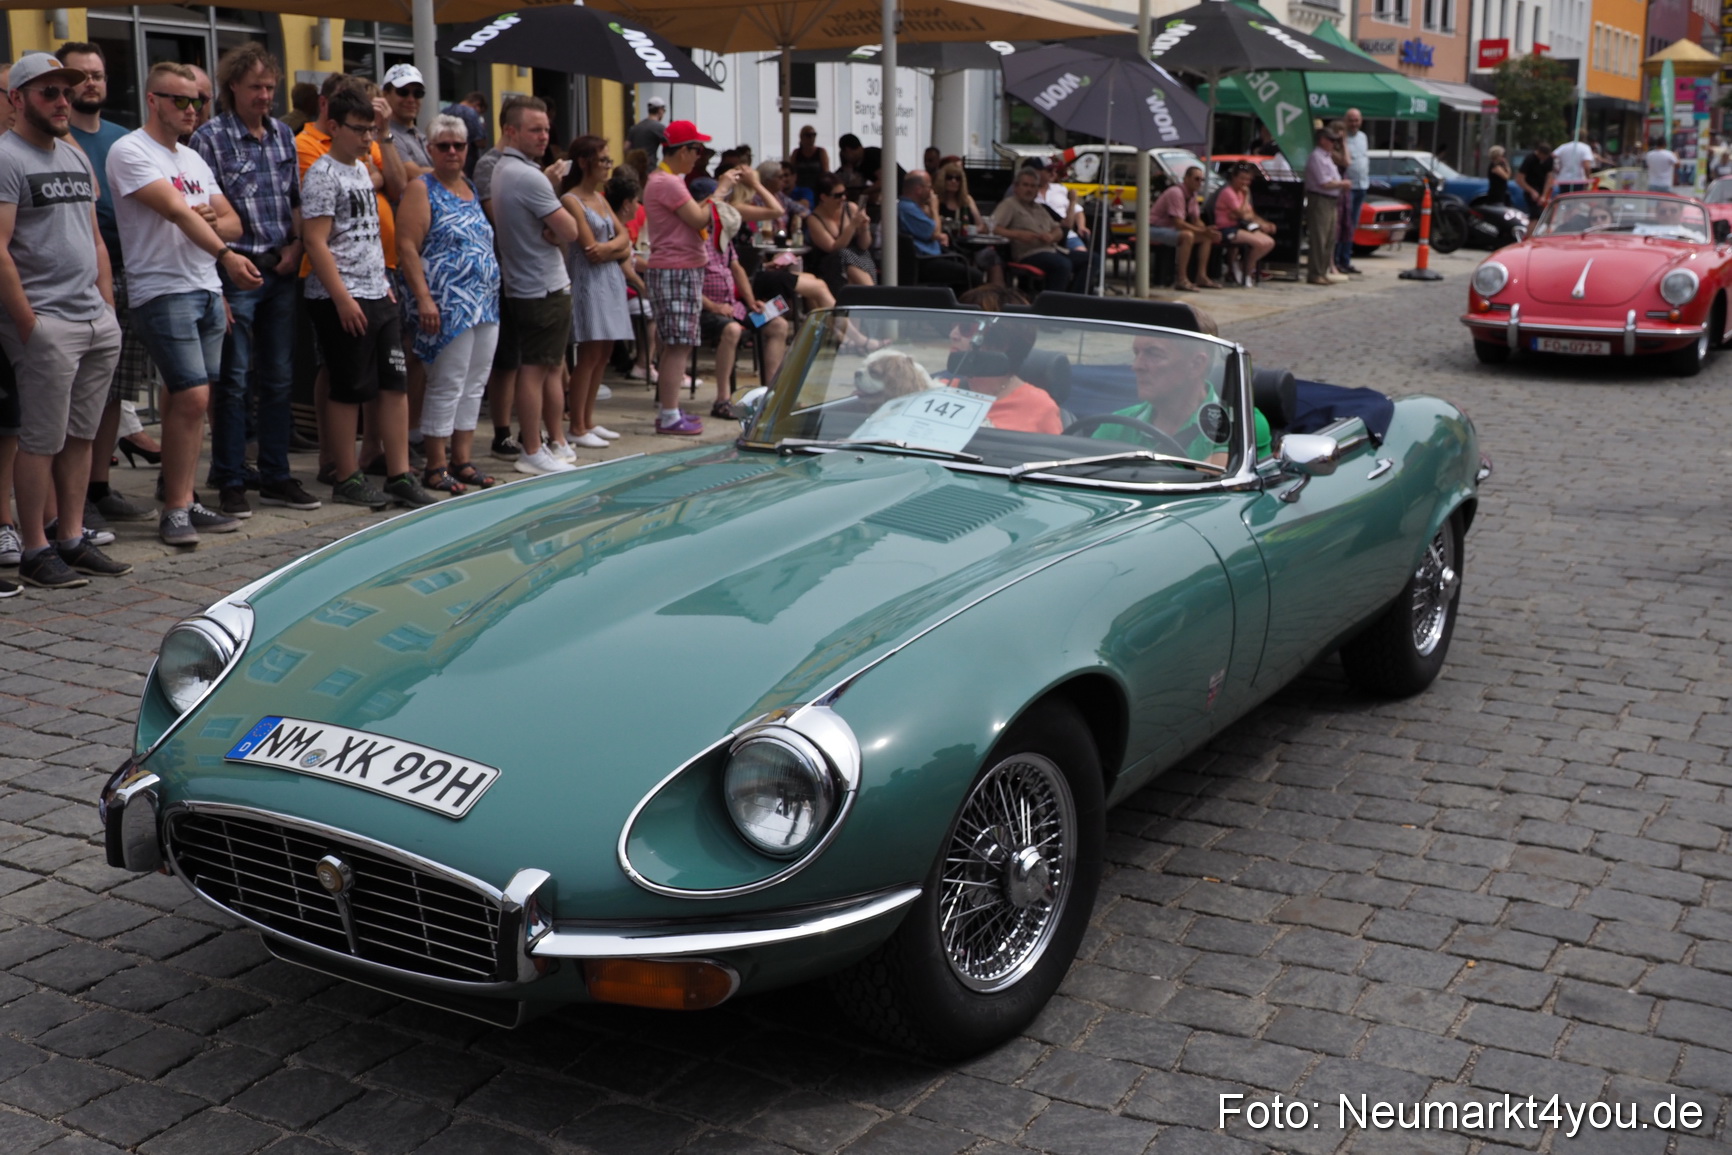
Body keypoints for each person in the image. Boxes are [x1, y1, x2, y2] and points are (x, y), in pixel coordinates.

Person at [109, 61, 262, 546]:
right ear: (153, 100)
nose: (192, 109)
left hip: (205, 288)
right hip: (162, 287)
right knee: (193, 396)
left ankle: (184, 497)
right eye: (180, 100)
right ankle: (175, 508)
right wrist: (224, 251)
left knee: (191, 400)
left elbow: (233, 220)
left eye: (197, 100)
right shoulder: (130, 150)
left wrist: (214, 233)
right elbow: (175, 211)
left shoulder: (193, 159)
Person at [0, 52, 127, 588]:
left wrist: (107, 307)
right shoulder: (7, 157)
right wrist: (29, 323)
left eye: (64, 91)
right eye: (47, 91)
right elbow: (0, 249)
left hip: (92, 319)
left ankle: (70, 537)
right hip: (47, 323)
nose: (61, 101)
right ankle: (35, 546)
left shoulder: (75, 156)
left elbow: (95, 239)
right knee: (40, 439)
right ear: (17, 99)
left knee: (80, 436)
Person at [190, 42, 321, 520]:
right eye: (256, 88)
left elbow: (295, 200)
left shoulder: (285, 136)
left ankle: (276, 473)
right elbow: (203, 213)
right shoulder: (210, 138)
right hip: (237, 270)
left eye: (270, 87)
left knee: (280, 378)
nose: (265, 96)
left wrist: (297, 245)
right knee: (234, 381)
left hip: (280, 267)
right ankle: (230, 477)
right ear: (232, 89)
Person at [301, 84, 432, 509]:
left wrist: (384, 285)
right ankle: (346, 473)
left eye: (371, 131)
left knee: (393, 383)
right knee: (348, 386)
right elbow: (316, 241)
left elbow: (373, 232)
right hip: (342, 294)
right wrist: (341, 298)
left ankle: (398, 472)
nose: (366, 139)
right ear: (335, 127)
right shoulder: (322, 174)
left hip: (378, 289)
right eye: (358, 131)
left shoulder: (360, 168)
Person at [56, 41, 151, 528]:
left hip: (124, 268)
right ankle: (64, 499)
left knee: (115, 387)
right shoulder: (51, 134)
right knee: (71, 392)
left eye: (98, 74)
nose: (91, 82)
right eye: (81, 75)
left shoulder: (123, 138)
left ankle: (98, 486)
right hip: (70, 276)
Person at [397, 113, 499, 494]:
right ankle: (436, 463)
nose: (452, 151)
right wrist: (424, 297)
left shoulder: (470, 187)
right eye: (444, 145)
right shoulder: (422, 188)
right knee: (447, 381)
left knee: (475, 382)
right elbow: (406, 246)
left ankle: (462, 457)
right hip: (447, 304)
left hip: (484, 302)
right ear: (430, 149)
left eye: (459, 145)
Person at [491, 96, 580, 473]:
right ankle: (532, 448)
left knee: (547, 366)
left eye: (546, 129)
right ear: (510, 131)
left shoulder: (507, 170)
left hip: (528, 282)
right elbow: (571, 230)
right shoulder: (526, 175)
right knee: (535, 370)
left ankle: (551, 440)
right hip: (541, 285)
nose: (544, 136)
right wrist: (554, 212)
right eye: (535, 129)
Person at [644, 118, 731, 435]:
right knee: (679, 345)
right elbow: (698, 217)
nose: (700, 156)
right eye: (696, 149)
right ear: (682, 151)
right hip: (675, 269)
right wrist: (720, 191)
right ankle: (668, 415)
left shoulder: (668, 181)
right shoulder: (666, 183)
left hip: (678, 269)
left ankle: (671, 410)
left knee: (678, 344)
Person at [694, 177, 791, 419]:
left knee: (778, 323)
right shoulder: (691, 237)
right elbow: (690, 283)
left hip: (734, 307)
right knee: (732, 331)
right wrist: (714, 306)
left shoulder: (721, 234)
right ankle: (723, 399)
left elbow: (736, 268)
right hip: (705, 311)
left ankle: (771, 394)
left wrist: (751, 301)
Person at [1091, 335, 1269, 465]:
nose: (1136, 366)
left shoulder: (1240, 423)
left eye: (1154, 354)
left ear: (1196, 365)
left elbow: (1209, 491)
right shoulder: (1117, 424)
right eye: (1136, 353)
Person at [559, 134, 630, 448]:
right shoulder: (571, 200)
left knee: (604, 351)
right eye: (603, 160)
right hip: (589, 281)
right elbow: (589, 248)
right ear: (585, 162)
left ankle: (588, 419)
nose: (608, 167)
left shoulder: (600, 199)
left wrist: (612, 248)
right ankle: (577, 423)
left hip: (609, 279)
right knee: (588, 354)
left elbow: (624, 236)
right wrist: (616, 248)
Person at [947, 317, 1060, 434]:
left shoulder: (1040, 407)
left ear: (1002, 343)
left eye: (966, 328)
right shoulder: (940, 390)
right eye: (953, 325)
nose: (952, 335)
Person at [991, 166, 1090, 294]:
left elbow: (1059, 228)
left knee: (1091, 260)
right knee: (1062, 264)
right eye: (1025, 185)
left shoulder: (1039, 208)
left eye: (1033, 186)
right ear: (1016, 187)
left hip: (1053, 249)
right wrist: (1017, 234)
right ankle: (1052, 305)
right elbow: (993, 227)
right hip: (1028, 253)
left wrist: (1052, 236)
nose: (1029, 189)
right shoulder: (1009, 204)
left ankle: (1076, 299)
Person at [1150, 165, 1219, 292]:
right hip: (1153, 229)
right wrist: (1202, 230)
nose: (1199, 182)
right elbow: (1178, 223)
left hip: (1170, 229)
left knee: (1207, 237)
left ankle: (1201, 276)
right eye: (1196, 179)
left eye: (1201, 180)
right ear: (1186, 178)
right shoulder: (1176, 193)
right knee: (1187, 236)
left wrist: (1208, 231)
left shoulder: (1192, 195)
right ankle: (1181, 279)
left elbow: (1196, 219)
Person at [807, 175, 876, 289]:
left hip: (859, 257)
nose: (843, 198)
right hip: (831, 263)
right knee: (844, 255)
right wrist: (852, 225)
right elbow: (833, 248)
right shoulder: (814, 219)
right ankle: (872, 294)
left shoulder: (851, 208)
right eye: (838, 196)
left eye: (844, 193)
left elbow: (864, 245)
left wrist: (864, 227)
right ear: (823, 197)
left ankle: (871, 294)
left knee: (857, 258)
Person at [1213, 163, 1275, 286]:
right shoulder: (1228, 192)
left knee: (1268, 242)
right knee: (1259, 243)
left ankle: (1243, 267)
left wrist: (1263, 223)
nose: (1245, 183)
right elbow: (1242, 213)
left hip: (1240, 226)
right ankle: (1246, 271)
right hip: (1226, 228)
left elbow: (1249, 214)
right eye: (1242, 179)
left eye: (1248, 180)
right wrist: (1246, 197)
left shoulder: (1240, 193)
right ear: (1234, 178)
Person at [1303, 127, 1350, 286]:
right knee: (1319, 238)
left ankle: (1322, 272)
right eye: (1331, 140)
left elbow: (1346, 161)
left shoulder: (1327, 156)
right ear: (1322, 140)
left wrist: (1343, 144)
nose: (1333, 143)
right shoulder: (1316, 156)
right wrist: (1342, 183)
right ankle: (1315, 273)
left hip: (1331, 200)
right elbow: (1324, 183)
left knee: (1329, 238)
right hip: (1320, 199)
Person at [1338, 108, 1368, 275]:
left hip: (1362, 185)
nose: (1354, 123)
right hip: (1348, 187)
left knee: (1352, 226)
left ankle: (1346, 259)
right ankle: (1338, 260)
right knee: (1344, 225)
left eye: (1356, 120)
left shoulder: (1363, 137)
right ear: (1345, 120)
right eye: (1351, 120)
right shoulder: (1342, 138)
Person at [441, 91, 488, 174]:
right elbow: (481, 142)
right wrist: (482, 127)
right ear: (477, 105)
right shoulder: (471, 113)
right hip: (467, 165)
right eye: (480, 113)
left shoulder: (445, 111)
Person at [1549, 131, 1595, 199]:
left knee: (1564, 200)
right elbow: (1587, 166)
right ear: (1584, 138)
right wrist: (1588, 178)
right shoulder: (1585, 148)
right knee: (1576, 202)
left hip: (1563, 180)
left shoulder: (1564, 146)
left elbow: (1551, 156)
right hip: (1578, 180)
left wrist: (1556, 170)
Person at [626, 95, 668, 165]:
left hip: (634, 168)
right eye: (664, 111)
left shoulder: (635, 127)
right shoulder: (659, 128)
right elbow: (671, 145)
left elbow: (626, 148)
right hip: (649, 167)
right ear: (660, 110)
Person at [788, 126, 828, 195]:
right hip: (800, 189)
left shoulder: (821, 152)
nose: (812, 138)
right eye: (808, 135)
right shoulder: (796, 153)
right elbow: (792, 171)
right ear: (801, 137)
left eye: (814, 135)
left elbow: (825, 172)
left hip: (817, 189)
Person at [1516, 142, 1552, 211]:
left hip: (1543, 189)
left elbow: (1549, 177)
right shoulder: (1529, 159)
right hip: (1531, 188)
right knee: (1535, 215)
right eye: (1543, 156)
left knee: (1543, 214)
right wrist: (1532, 191)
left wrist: (1544, 195)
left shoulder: (1549, 159)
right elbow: (1519, 179)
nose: (1544, 159)